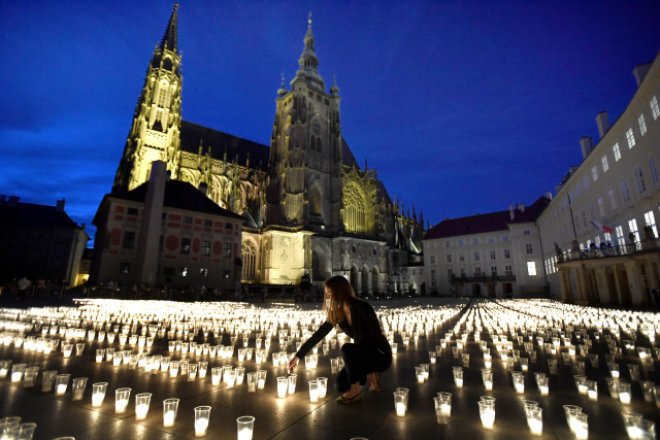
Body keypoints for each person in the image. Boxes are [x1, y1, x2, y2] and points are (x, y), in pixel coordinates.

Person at [288, 275, 392, 404]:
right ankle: (368, 376)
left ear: (340, 292)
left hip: (379, 354)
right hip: (361, 355)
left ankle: (357, 389)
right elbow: (318, 335)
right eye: (326, 293)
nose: (327, 297)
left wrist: (365, 368)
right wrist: (298, 356)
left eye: (329, 293)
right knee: (340, 385)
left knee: (347, 349)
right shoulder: (338, 313)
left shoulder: (362, 307)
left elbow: (374, 335)